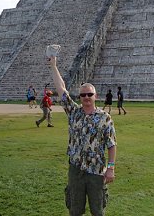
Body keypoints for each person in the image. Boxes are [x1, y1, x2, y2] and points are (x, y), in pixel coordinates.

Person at [49, 56, 117, 216]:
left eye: (89, 94)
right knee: (75, 210)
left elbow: (112, 144)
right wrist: (53, 66)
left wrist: (111, 168)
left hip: (97, 171)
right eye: (83, 95)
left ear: (95, 96)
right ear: (79, 97)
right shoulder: (74, 112)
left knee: (97, 211)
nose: (86, 97)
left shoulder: (104, 117)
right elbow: (61, 89)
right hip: (76, 170)